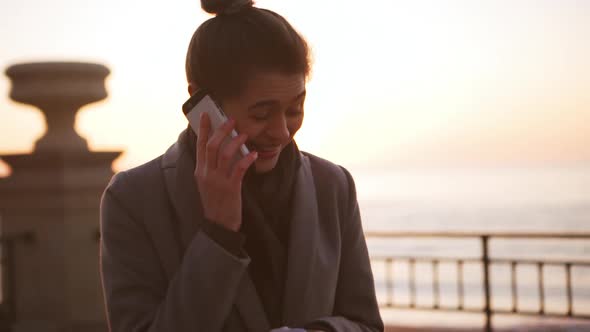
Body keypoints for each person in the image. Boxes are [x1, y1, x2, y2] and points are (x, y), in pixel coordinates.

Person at [99, 0, 384, 331]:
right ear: (204, 104)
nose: (281, 132)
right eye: (261, 113)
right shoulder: (133, 199)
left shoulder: (332, 186)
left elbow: (366, 325)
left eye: (295, 109)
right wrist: (218, 234)